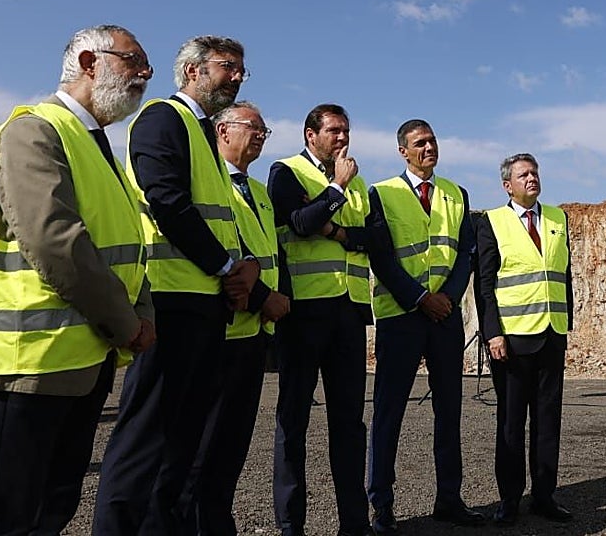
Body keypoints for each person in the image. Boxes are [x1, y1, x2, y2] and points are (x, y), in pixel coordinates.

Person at [0, 25, 156, 535]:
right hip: (31, 359)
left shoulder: (96, 146)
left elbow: (127, 245)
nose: (146, 72)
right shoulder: (34, 130)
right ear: (89, 62)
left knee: (52, 506)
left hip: (82, 354)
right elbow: (54, 241)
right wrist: (127, 322)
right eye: (133, 60)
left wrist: (141, 313)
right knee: (5, 516)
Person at [95, 35, 265, 534]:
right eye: (227, 66)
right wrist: (226, 267)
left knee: (181, 445)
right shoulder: (162, 118)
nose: (237, 76)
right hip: (170, 302)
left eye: (242, 69)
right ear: (192, 71)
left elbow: (219, 219)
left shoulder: (202, 133)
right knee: (145, 442)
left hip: (204, 304)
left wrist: (241, 267)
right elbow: (167, 202)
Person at [366, 119, 485, 533]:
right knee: (389, 412)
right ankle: (381, 504)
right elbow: (381, 257)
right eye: (420, 143)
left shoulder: (456, 194)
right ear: (403, 151)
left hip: (445, 317)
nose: (429, 147)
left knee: (449, 411)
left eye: (432, 140)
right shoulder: (381, 193)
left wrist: (447, 297)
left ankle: (449, 499)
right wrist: (419, 298)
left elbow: (465, 253)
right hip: (401, 316)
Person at [185, 101, 290, 534]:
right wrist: (265, 298)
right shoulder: (208, 184)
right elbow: (225, 255)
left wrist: (276, 299)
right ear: (222, 131)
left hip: (253, 335)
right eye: (253, 127)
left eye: (265, 131)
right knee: (202, 450)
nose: (261, 136)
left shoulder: (259, 191)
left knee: (231, 449)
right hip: (220, 332)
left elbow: (265, 254)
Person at [268, 104, 374, 536]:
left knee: (349, 423)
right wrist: (335, 189)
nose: (342, 138)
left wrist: (334, 229)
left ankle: (355, 523)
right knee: (293, 421)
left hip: (348, 313)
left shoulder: (359, 183)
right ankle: (291, 524)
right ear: (311, 135)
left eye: (346, 130)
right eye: (334, 131)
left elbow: (375, 237)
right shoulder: (286, 172)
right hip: (304, 313)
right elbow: (298, 224)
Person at [475, 153, 574, 526]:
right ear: (508, 186)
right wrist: (493, 332)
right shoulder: (492, 222)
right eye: (523, 175)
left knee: (548, 421)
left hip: (552, 333)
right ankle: (509, 499)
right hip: (512, 340)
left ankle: (545, 496)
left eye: (535, 172)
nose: (532, 178)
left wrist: (567, 320)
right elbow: (485, 283)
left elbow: (564, 273)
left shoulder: (558, 219)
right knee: (511, 423)